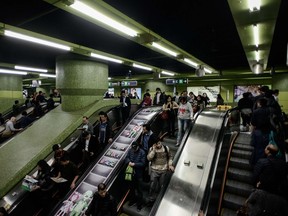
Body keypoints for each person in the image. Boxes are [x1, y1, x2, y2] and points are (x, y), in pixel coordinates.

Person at [147, 138, 174, 205]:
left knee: (161, 186)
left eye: (159, 143)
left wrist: (170, 164)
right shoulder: (151, 149)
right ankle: (151, 199)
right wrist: (153, 150)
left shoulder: (166, 148)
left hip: (163, 170)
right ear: (154, 144)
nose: (159, 145)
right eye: (157, 144)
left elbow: (170, 157)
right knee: (152, 186)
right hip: (154, 170)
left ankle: (160, 199)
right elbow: (149, 158)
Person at [250, 98, 272, 165]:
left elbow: (253, 123)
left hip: (258, 132)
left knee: (258, 148)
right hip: (269, 132)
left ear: (259, 103)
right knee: (266, 148)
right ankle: (265, 164)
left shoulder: (256, 111)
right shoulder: (270, 110)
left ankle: (257, 164)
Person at [125, 141, 146, 211]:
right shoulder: (130, 150)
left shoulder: (142, 152)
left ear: (138, 147)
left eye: (135, 148)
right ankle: (133, 201)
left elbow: (143, 163)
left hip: (138, 174)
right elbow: (127, 158)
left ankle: (139, 205)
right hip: (130, 174)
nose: (133, 149)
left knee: (139, 190)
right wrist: (129, 162)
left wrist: (134, 164)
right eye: (133, 148)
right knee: (131, 189)